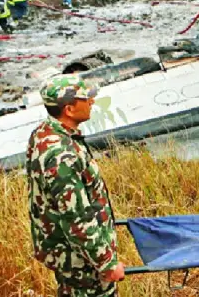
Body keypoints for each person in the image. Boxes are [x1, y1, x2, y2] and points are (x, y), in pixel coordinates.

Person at [26, 75, 125, 296]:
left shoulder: (44, 133)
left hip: (67, 253)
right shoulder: (62, 156)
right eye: (85, 99)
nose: (92, 102)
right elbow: (76, 219)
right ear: (69, 110)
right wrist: (107, 263)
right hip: (80, 261)